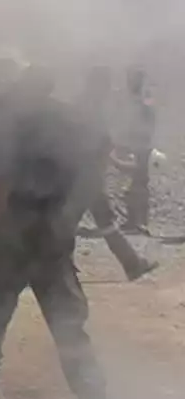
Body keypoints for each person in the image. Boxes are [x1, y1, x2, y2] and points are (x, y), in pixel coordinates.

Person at [0, 62, 108, 399]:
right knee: (68, 323)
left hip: (11, 239)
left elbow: (0, 185)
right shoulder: (73, 123)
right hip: (54, 239)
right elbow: (96, 168)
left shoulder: (17, 126)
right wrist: (69, 218)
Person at [74, 66, 158, 280]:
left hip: (84, 173)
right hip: (84, 174)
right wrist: (118, 163)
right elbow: (97, 142)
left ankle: (132, 264)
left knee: (97, 221)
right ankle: (132, 264)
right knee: (96, 221)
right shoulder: (88, 108)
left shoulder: (87, 105)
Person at [122, 66, 155, 235]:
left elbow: (148, 119)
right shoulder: (134, 99)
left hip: (142, 146)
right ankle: (134, 220)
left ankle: (139, 221)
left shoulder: (144, 98)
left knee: (139, 183)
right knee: (133, 183)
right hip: (135, 144)